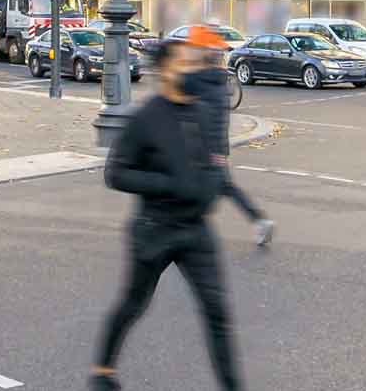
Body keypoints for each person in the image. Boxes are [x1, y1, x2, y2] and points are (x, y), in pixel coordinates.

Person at [91, 39, 243, 391]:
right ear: (163, 72)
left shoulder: (203, 110)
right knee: (133, 304)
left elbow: (212, 160)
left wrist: (211, 182)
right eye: (182, 64)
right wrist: (169, 183)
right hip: (154, 229)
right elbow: (115, 174)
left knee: (217, 311)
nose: (190, 69)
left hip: (195, 230)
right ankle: (103, 370)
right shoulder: (145, 118)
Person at [180, 25, 274, 247]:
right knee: (226, 187)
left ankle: (188, 231)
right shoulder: (219, 80)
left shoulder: (196, 80)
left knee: (198, 193)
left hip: (202, 150)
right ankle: (259, 220)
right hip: (216, 147)